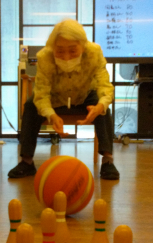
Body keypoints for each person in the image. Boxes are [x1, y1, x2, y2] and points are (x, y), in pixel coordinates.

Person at [8, 19, 119, 181]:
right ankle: (26, 161)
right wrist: (51, 115)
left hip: (85, 95)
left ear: (83, 46)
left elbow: (105, 86)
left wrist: (100, 106)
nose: (66, 57)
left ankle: (108, 160)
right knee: (31, 105)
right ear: (53, 47)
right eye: (60, 51)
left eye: (73, 50)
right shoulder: (44, 57)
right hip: (56, 97)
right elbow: (41, 94)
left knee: (103, 107)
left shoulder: (94, 53)